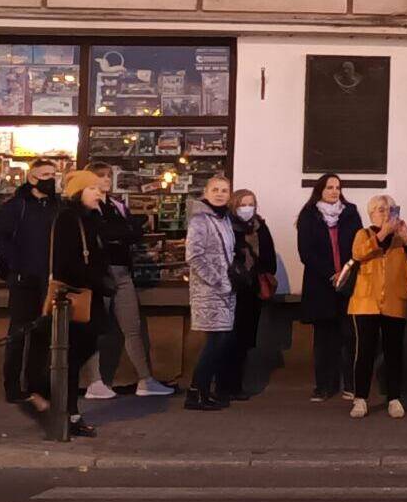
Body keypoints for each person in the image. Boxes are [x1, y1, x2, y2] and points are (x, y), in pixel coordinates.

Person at [17, 170, 107, 438]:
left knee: (76, 354)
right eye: (93, 189)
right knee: (69, 355)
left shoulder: (90, 218)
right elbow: (66, 262)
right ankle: (45, 400)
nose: (99, 194)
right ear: (79, 191)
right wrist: (97, 280)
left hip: (89, 295)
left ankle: (61, 408)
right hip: (76, 296)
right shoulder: (68, 219)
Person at [81, 163, 174, 400]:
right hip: (100, 272)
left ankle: (145, 379)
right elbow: (110, 233)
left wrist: (125, 231)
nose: (106, 180)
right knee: (96, 329)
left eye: (108, 176)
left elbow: (132, 231)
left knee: (132, 327)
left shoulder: (117, 205)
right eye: (100, 177)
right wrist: (124, 231)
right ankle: (95, 381)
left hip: (122, 271)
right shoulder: (87, 207)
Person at [347, 194, 407, 419]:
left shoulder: (401, 237)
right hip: (366, 302)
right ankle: (360, 398)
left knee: (394, 352)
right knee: (364, 351)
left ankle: (394, 398)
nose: (385, 213)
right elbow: (358, 253)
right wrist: (383, 233)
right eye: (381, 209)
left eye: (389, 209)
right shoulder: (363, 234)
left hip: (394, 301)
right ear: (371, 213)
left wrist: (406, 238)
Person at [0, 159, 61, 403]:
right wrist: (17, 267)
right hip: (24, 280)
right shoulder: (16, 206)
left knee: (42, 336)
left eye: (53, 174)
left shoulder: (57, 206)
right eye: (45, 174)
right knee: (19, 334)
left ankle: (36, 385)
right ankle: (12, 386)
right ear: (32, 177)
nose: (51, 179)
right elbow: (2, 239)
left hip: (49, 279)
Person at [295, 173, 363, 402]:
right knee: (324, 339)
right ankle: (324, 385)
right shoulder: (309, 215)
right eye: (329, 187)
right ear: (320, 190)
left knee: (349, 335)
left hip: (348, 284)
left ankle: (350, 385)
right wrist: (330, 274)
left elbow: (359, 245)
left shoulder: (350, 213)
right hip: (320, 284)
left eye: (338, 187)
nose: (334, 191)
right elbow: (306, 252)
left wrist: (346, 272)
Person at [182, 175, 239, 411]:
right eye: (215, 189)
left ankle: (203, 390)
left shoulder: (224, 218)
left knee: (220, 342)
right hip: (209, 291)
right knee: (215, 343)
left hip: (225, 291)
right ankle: (196, 393)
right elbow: (194, 256)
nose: (220, 194)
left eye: (224, 190)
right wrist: (217, 280)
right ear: (206, 192)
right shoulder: (200, 219)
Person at [226, 189, 276, 400]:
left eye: (251, 204)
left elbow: (269, 257)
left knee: (245, 339)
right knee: (230, 339)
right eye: (243, 204)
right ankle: (226, 383)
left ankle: (237, 384)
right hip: (232, 289)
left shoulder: (260, 227)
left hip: (252, 290)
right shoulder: (227, 226)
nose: (247, 208)